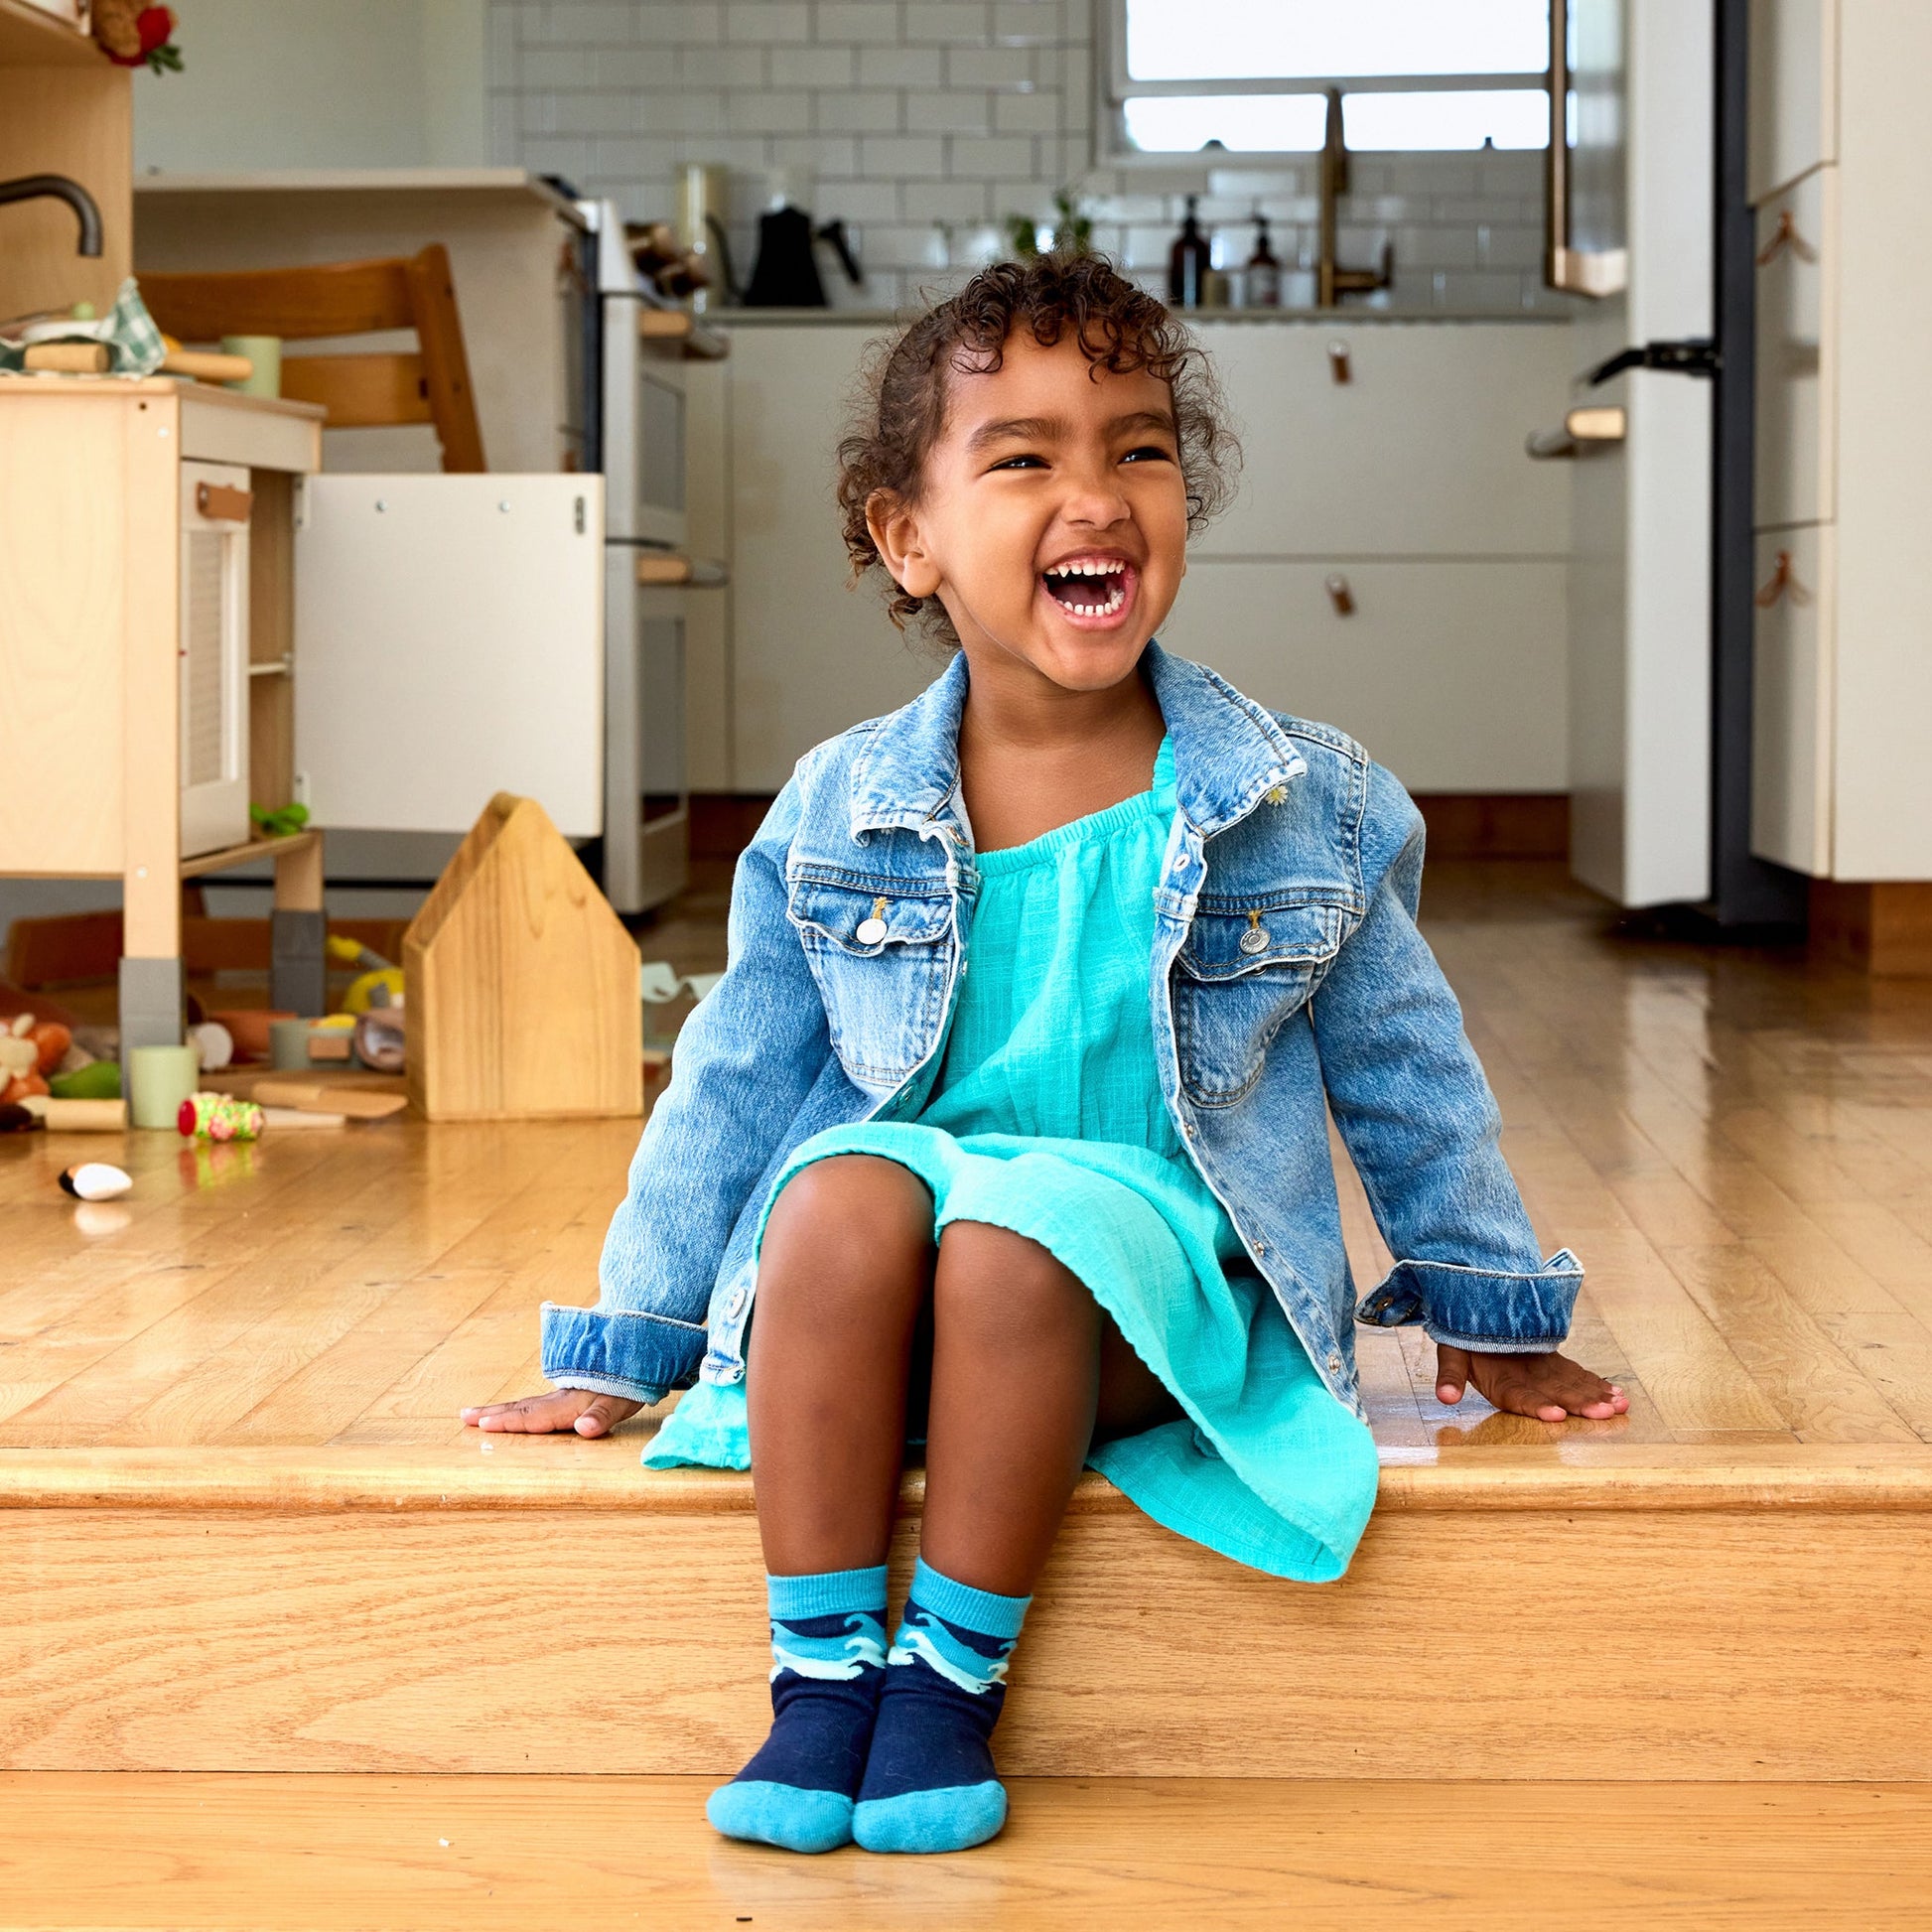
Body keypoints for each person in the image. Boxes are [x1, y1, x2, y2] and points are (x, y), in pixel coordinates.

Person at [463, 253, 1624, 1857]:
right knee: (836, 1195)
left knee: (1015, 1239)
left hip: (1145, 1308)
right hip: (886, 1325)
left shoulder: (1302, 803)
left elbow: (1410, 1079)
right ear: (907, 536)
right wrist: (628, 1341)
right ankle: (818, 1680)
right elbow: (728, 1086)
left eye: (1139, 447)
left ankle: (942, 1684)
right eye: (1023, 457)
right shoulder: (834, 809)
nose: (1097, 493)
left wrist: (1489, 1310)